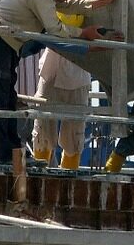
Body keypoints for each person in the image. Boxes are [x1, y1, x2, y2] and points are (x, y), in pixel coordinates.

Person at [0, 0, 121, 165]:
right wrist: (84, 34)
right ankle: (5, 156)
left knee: (7, 100)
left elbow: (69, 5)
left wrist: (100, 2)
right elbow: (55, 30)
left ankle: (14, 154)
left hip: (6, 44)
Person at [32, 13, 93, 171]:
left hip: (80, 68)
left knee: (74, 135)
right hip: (51, 68)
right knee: (42, 130)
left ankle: (68, 178)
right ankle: (39, 177)